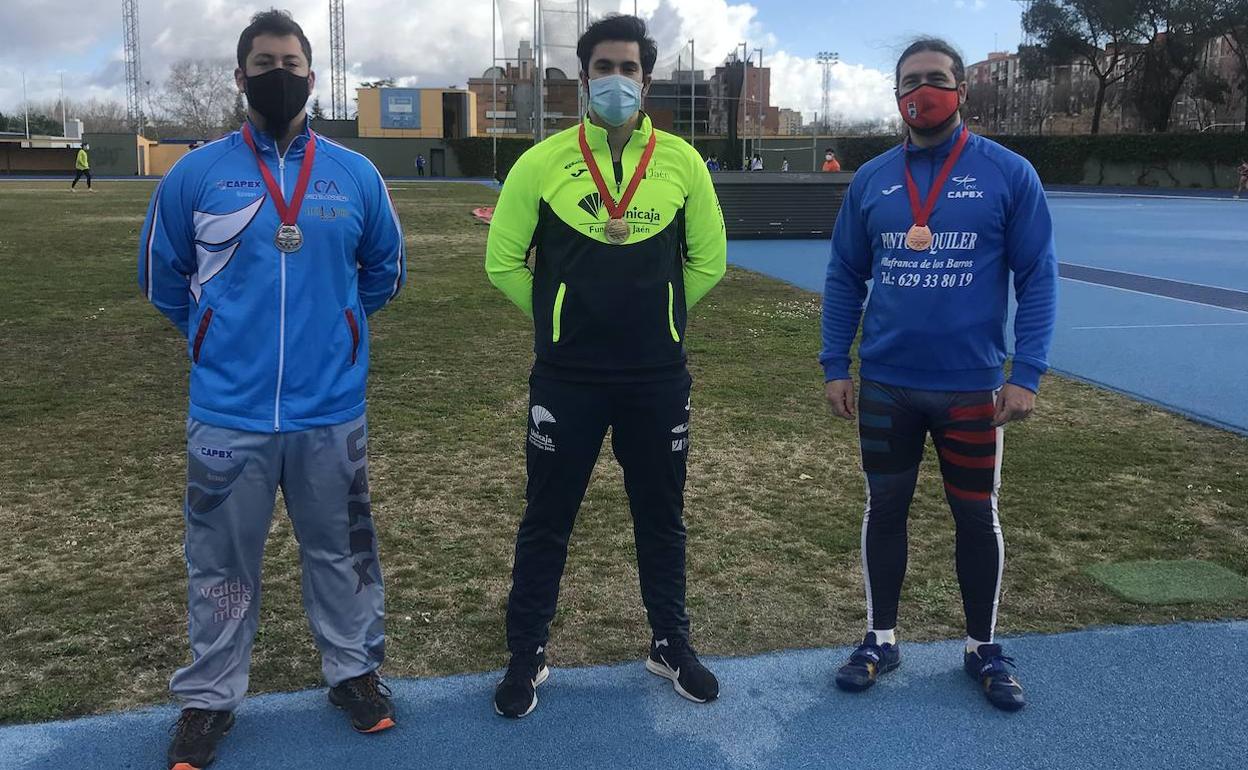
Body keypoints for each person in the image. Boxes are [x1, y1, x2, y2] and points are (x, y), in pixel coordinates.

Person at [138, 11, 406, 769]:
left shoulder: (354, 174)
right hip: (230, 411)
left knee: (343, 551)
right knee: (220, 564)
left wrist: (341, 327)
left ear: (312, 77)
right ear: (240, 76)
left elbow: (385, 272)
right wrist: (213, 337)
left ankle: (354, 673)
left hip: (330, 409)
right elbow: (163, 280)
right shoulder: (196, 174)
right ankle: (209, 699)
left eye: (289, 60)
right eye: (262, 61)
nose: (277, 72)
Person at [485, 13, 727, 719]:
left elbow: (708, 259)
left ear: (646, 79)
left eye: (629, 68)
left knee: (661, 516)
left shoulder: (682, 163)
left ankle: (669, 643)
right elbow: (502, 261)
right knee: (547, 518)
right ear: (584, 78)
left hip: (657, 374)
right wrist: (559, 317)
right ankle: (526, 652)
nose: (616, 80)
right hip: (569, 377)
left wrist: (668, 315)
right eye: (603, 68)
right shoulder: (540, 162)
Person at [820, 37, 1057, 713]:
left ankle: (982, 647)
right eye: (909, 82)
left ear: (961, 91)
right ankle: (880, 638)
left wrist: (1027, 371)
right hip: (888, 383)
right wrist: (836, 362)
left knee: (975, 517)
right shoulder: (871, 180)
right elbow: (843, 276)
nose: (922, 92)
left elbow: (1038, 275)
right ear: (896, 96)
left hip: (972, 388)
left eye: (936, 79)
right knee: (885, 509)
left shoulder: (1008, 174)